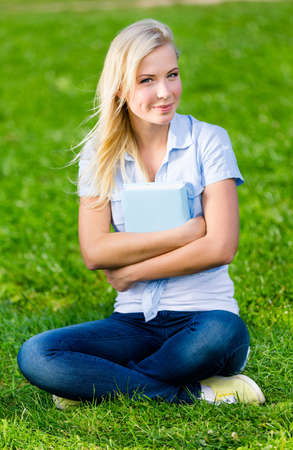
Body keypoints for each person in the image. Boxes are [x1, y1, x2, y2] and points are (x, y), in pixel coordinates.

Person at [17, 18, 265, 409]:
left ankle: (100, 384)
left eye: (172, 75)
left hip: (204, 320)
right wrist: (184, 234)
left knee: (223, 332)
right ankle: (196, 394)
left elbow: (220, 246)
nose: (165, 92)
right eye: (146, 80)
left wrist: (133, 270)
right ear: (120, 88)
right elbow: (96, 251)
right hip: (132, 323)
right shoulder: (99, 156)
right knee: (36, 354)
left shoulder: (209, 140)